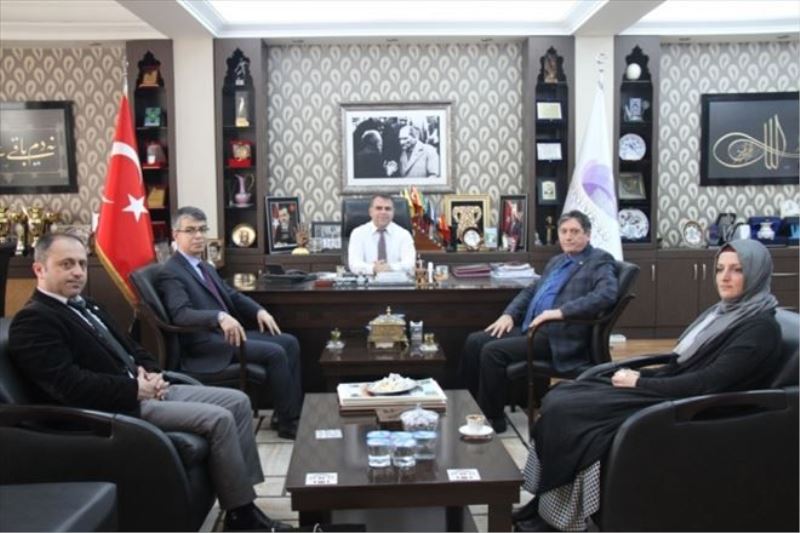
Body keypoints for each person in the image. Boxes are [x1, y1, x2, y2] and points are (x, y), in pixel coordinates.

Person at [7, 233, 292, 531]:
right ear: (39, 269)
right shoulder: (34, 321)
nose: (78, 272)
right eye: (66, 264)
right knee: (219, 419)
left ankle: (242, 495)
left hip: (147, 388)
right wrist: (134, 389)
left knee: (238, 401)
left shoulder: (88, 306)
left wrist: (152, 371)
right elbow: (69, 386)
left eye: (81, 263)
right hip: (114, 408)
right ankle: (242, 514)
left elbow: (134, 348)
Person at [513, 239, 782, 532]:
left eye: (737, 270)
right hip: (672, 387)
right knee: (563, 394)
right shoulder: (724, 313)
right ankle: (544, 505)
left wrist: (641, 382)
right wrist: (644, 377)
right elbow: (680, 362)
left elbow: (707, 383)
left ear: (756, 273)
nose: (725, 277)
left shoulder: (759, 329)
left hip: (692, 407)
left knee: (571, 411)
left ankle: (560, 517)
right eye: (720, 269)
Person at [460, 210, 618, 433]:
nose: (568, 237)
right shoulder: (557, 261)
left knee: (492, 352)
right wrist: (509, 314)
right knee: (474, 341)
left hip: (559, 336)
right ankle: (469, 407)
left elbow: (606, 294)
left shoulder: (599, 260)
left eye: (575, 231)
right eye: (564, 231)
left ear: (588, 234)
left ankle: (493, 420)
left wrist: (560, 312)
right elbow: (531, 290)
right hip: (533, 328)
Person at [159, 206, 303, 440]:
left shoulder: (204, 266)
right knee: (275, 352)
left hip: (226, 336)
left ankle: (283, 413)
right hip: (205, 344)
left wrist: (259, 311)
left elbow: (231, 294)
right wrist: (219, 317)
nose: (198, 236)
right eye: (190, 230)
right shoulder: (171, 271)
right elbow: (180, 314)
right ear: (176, 234)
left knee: (289, 342)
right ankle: (289, 423)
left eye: (202, 230)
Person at [347, 194, 416, 276]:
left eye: (388, 209)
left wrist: (389, 267)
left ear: (393, 212)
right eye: (379, 208)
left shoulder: (404, 235)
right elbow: (354, 264)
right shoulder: (358, 233)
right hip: (367, 282)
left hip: (397, 282)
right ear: (370, 212)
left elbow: (410, 264)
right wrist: (373, 268)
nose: (383, 212)